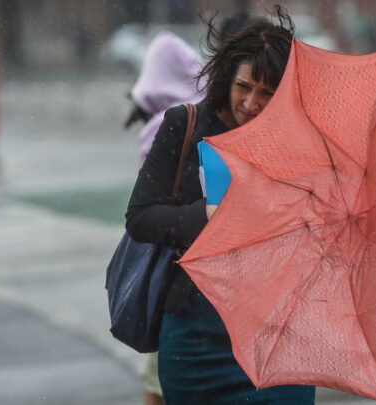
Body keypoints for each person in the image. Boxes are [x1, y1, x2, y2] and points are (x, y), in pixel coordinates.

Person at [124, 7, 316, 405]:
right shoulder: (186, 124)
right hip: (195, 336)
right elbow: (140, 219)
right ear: (229, 75)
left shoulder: (299, 142)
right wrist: (206, 216)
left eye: (267, 93)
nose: (251, 103)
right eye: (244, 86)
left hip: (278, 334)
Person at [124, 31, 206, 405]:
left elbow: (143, 212)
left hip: (171, 274)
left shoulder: (165, 124)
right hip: (204, 277)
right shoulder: (206, 112)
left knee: (159, 382)